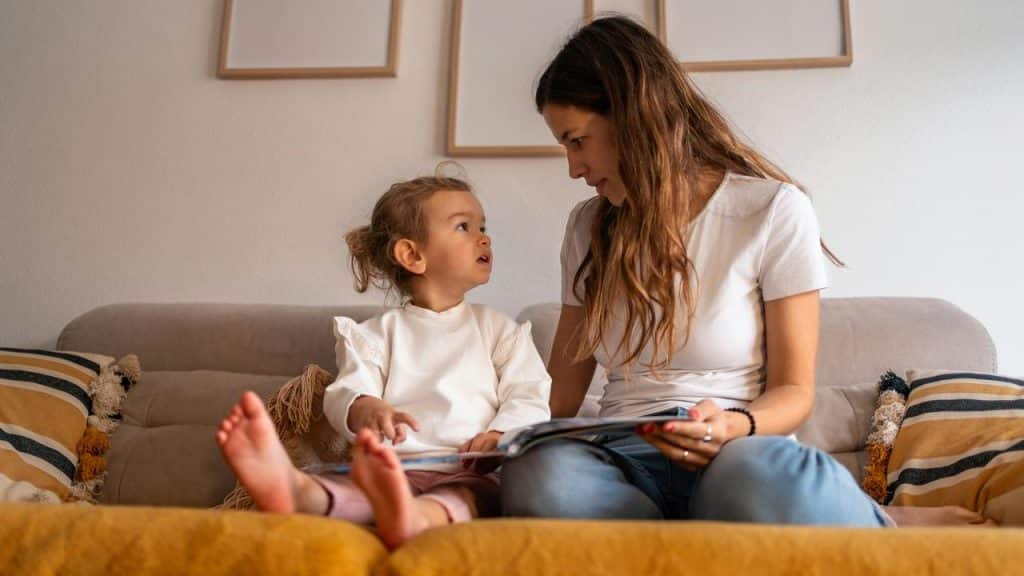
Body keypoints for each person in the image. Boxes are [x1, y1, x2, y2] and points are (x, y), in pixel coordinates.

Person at [499, 16, 991, 527]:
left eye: (576, 141)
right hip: (622, 458)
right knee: (535, 475)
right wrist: (482, 430)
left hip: (735, 453)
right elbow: (558, 396)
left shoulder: (772, 210)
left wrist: (733, 426)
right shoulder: (586, 227)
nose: (572, 169)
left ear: (631, 118)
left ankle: (877, 522)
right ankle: (684, 533)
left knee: (754, 480)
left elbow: (795, 393)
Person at [217, 174, 552, 549]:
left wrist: (502, 435)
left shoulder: (500, 331)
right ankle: (298, 490)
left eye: (482, 226)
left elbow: (530, 396)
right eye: (463, 226)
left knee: (472, 496)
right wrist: (366, 407)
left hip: (470, 470)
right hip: (395, 469)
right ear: (412, 255)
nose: (484, 237)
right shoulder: (375, 335)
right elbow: (347, 392)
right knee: (358, 489)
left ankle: (415, 517)